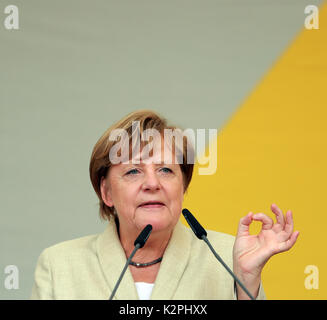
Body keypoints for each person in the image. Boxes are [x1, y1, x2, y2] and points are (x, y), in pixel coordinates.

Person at [30, 110, 299, 300]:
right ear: (106, 192)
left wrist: (247, 281)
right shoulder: (59, 266)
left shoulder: (229, 258)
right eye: (133, 171)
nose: (152, 183)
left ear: (183, 187)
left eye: (166, 170)